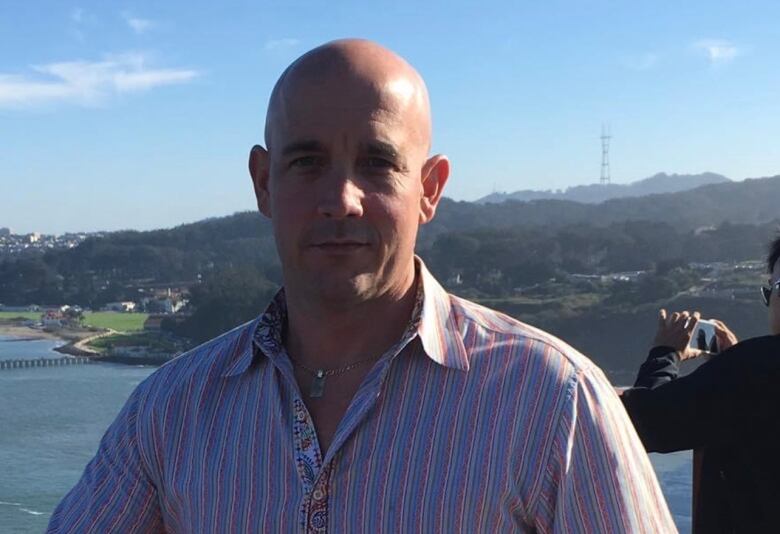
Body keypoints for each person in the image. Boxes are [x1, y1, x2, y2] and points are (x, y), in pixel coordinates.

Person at [48, 39, 674, 533]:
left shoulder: (553, 403)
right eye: (307, 162)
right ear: (263, 183)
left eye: (378, 163)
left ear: (429, 188)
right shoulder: (171, 411)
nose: (341, 200)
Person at [621, 234, 780, 533]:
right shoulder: (745, 369)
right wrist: (727, 365)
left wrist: (665, 354)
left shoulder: (753, 367)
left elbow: (647, 423)